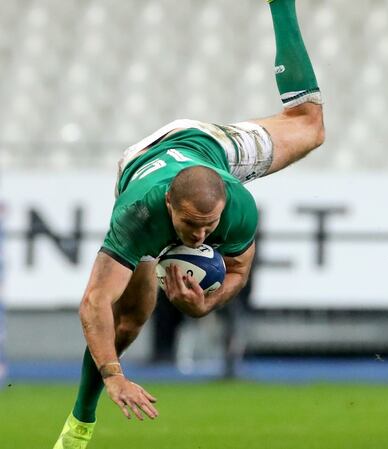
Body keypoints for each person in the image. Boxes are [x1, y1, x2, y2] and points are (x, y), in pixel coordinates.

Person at [52, 1, 324, 447]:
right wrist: (114, 376)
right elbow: (94, 301)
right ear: (168, 205)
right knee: (130, 320)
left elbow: (238, 270)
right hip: (140, 162)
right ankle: (80, 423)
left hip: (207, 147)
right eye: (189, 225)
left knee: (311, 127)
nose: (201, 237)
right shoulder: (138, 214)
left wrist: (209, 303)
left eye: (207, 227)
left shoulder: (238, 206)